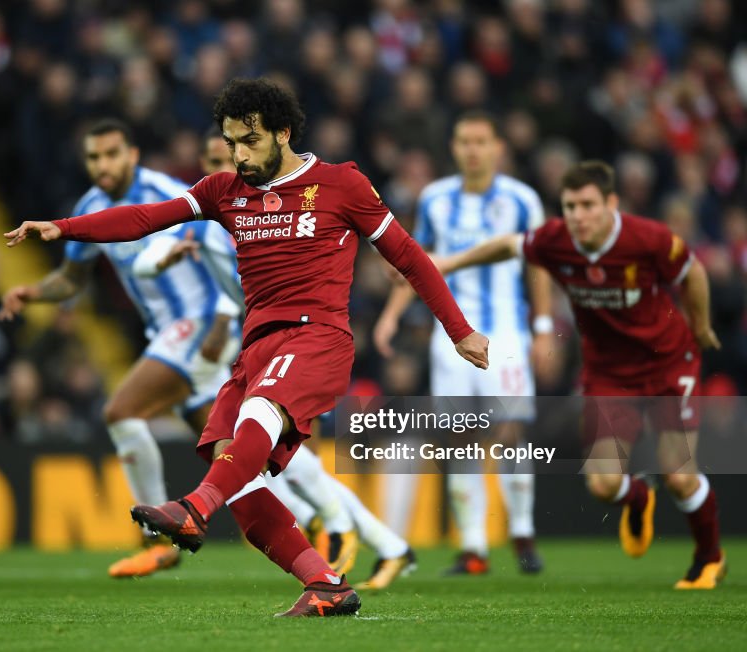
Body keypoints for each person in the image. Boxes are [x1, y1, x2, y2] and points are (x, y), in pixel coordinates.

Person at [4, 78, 488, 616]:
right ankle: (323, 582)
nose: (238, 154)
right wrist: (64, 228)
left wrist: (458, 328)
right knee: (225, 462)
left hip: (316, 335)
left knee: (252, 425)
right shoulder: (221, 191)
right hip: (256, 346)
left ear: (283, 133)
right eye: (231, 141)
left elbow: (409, 256)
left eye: (249, 141)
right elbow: (146, 218)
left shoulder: (341, 183)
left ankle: (194, 509)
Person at [136, 127, 418, 590]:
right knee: (241, 464)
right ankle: (362, 558)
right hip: (250, 350)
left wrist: (225, 318)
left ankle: (334, 525)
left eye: (227, 158)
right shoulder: (216, 215)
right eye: (213, 161)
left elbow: (267, 281)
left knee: (277, 453)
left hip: (298, 342)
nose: (222, 168)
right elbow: (148, 252)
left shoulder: (282, 206)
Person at [433, 160, 725, 589]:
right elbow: (509, 245)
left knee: (679, 474)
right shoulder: (556, 240)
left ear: (611, 203)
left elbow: (693, 272)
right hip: (609, 373)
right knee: (604, 485)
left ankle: (709, 559)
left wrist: (700, 327)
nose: (578, 215)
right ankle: (639, 495)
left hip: (667, 363)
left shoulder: (648, 239)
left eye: (588, 205)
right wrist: (449, 263)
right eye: (570, 206)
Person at [0, 119, 242, 579]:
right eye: (94, 157)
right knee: (227, 447)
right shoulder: (90, 204)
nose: (102, 165)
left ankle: (156, 540)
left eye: (111, 154)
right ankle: (319, 520)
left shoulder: (166, 190)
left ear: (132, 154)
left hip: (200, 322)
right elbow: (72, 279)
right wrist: (33, 292)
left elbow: (221, 245)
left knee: (121, 411)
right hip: (167, 333)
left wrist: (227, 317)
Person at [373, 111, 549, 575]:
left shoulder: (522, 200)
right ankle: (474, 547)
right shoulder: (434, 199)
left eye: (481, 141)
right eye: (464, 141)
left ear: (497, 148)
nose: (473, 149)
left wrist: (546, 324)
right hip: (449, 337)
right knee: (460, 438)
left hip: (507, 330)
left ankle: (523, 533)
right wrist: (390, 317)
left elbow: (539, 263)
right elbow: (414, 261)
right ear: (454, 147)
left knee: (511, 435)